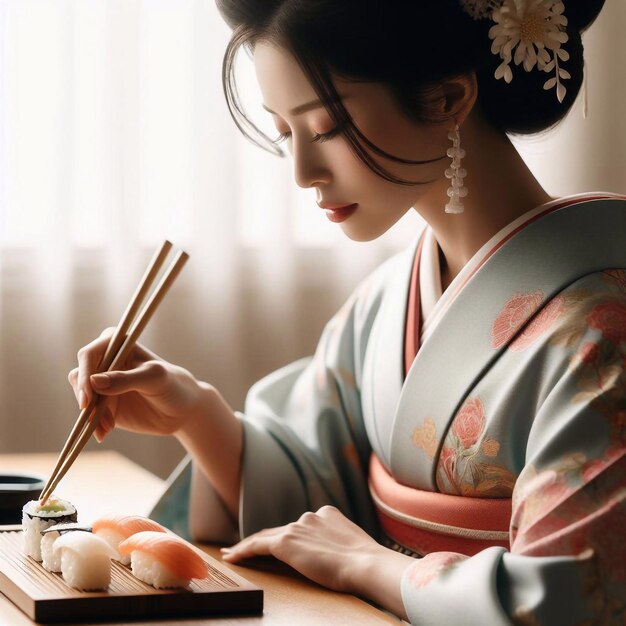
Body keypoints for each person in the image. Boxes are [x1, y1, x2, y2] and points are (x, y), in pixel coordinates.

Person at [69, 0, 626, 623]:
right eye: (286, 133)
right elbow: (312, 496)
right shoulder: (386, 301)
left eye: (327, 127)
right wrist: (194, 412)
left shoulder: (605, 325)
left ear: (449, 98)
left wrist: (369, 564)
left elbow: (573, 600)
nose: (303, 171)